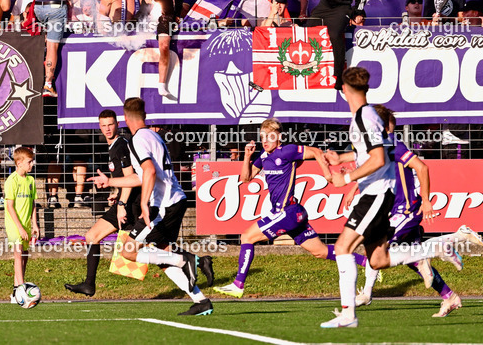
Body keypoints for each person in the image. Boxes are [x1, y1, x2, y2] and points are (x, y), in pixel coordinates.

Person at [319, 66, 476, 328]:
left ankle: (351, 312)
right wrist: (342, 158)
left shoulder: (364, 118)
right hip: (383, 197)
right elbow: (375, 152)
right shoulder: (367, 116)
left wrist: (347, 179)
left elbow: (380, 159)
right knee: (378, 259)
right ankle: (439, 254)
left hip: (382, 198)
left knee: (342, 248)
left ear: (344, 90)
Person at [213, 118, 366, 297]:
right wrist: (247, 156)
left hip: (287, 211)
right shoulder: (263, 156)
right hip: (293, 213)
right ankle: (366, 261)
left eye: (270, 136)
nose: (266, 140)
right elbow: (245, 178)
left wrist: (327, 174)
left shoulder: (288, 150)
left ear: (279, 137)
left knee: (246, 236)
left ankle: (238, 284)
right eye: (263, 136)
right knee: (321, 251)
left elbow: (316, 151)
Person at [91, 98, 214, 316]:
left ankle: (187, 260)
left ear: (125, 119)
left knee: (128, 251)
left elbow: (148, 172)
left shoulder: (137, 140)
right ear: (144, 116)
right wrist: (110, 182)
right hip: (174, 201)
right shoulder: (154, 135)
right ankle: (200, 299)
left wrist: (144, 204)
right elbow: (139, 177)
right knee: (162, 255)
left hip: (163, 204)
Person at [352, 105, 462, 317]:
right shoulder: (380, 148)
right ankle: (449, 296)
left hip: (406, 210)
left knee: (379, 251)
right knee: (412, 260)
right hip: (392, 210)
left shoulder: (393, 144)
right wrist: (353, 188)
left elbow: (422, 168)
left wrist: (427, 201)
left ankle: (439, 248)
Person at [65, 110, 142, 296]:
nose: (107, 129)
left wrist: (122, 205)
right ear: (99, 127)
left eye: (111, 125)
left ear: (118, 124)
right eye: (104, 126)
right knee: (93, 236)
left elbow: (131, 176)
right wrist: (117, 194)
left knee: (143, 249)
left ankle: (190, 261)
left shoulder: (121, 146)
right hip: (125, 201)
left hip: (131, 205)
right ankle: (89, 284)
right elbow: (124, 179)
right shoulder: (114, 146)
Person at [4, 146, 40, 302]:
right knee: (18, 254)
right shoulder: (11, 181)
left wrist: (35, 225)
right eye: (29, 162)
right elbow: (9, 206)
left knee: (24, 256)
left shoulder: (31, 180)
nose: (32, 165)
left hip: (25, 224)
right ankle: (22, 289)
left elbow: (32, 204)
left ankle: (15, 293)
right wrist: (19, 227)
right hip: (14, 224)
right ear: (18, 163)